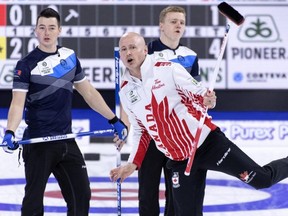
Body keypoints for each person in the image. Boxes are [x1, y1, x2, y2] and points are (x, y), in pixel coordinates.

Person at [110, 32, 288, 216]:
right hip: (179, 160)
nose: (128, 53)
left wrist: (207, 98)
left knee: (261, 179)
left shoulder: (166, 68)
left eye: (133, 47)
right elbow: (142, 130)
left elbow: (198, 92)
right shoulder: (125, 91)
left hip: (208, 144)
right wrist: (132, 163)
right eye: (123, 49)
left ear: (145, 50)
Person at [1, 8, 127, 216]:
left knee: (81, 196)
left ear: (59, 30)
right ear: (36, 31)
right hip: (39, 143)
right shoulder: (25, 65)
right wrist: (10, 132)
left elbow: (88, 92)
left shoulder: (69, 57)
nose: (47, 32)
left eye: (51, 28)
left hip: (67, 141)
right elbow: (17, 104)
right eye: (42, 28)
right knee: (33, 202)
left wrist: (114, 119)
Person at [139, 6, 202, 216]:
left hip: (178, 133)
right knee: (148, 188)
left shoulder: (190, 56)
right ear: (161, 26)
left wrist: (205, 98)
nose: (178, 26)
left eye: (181, 22)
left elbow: (195, 93)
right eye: (173, 21)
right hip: (152, 131)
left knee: (175, 188)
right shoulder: (145, 52)